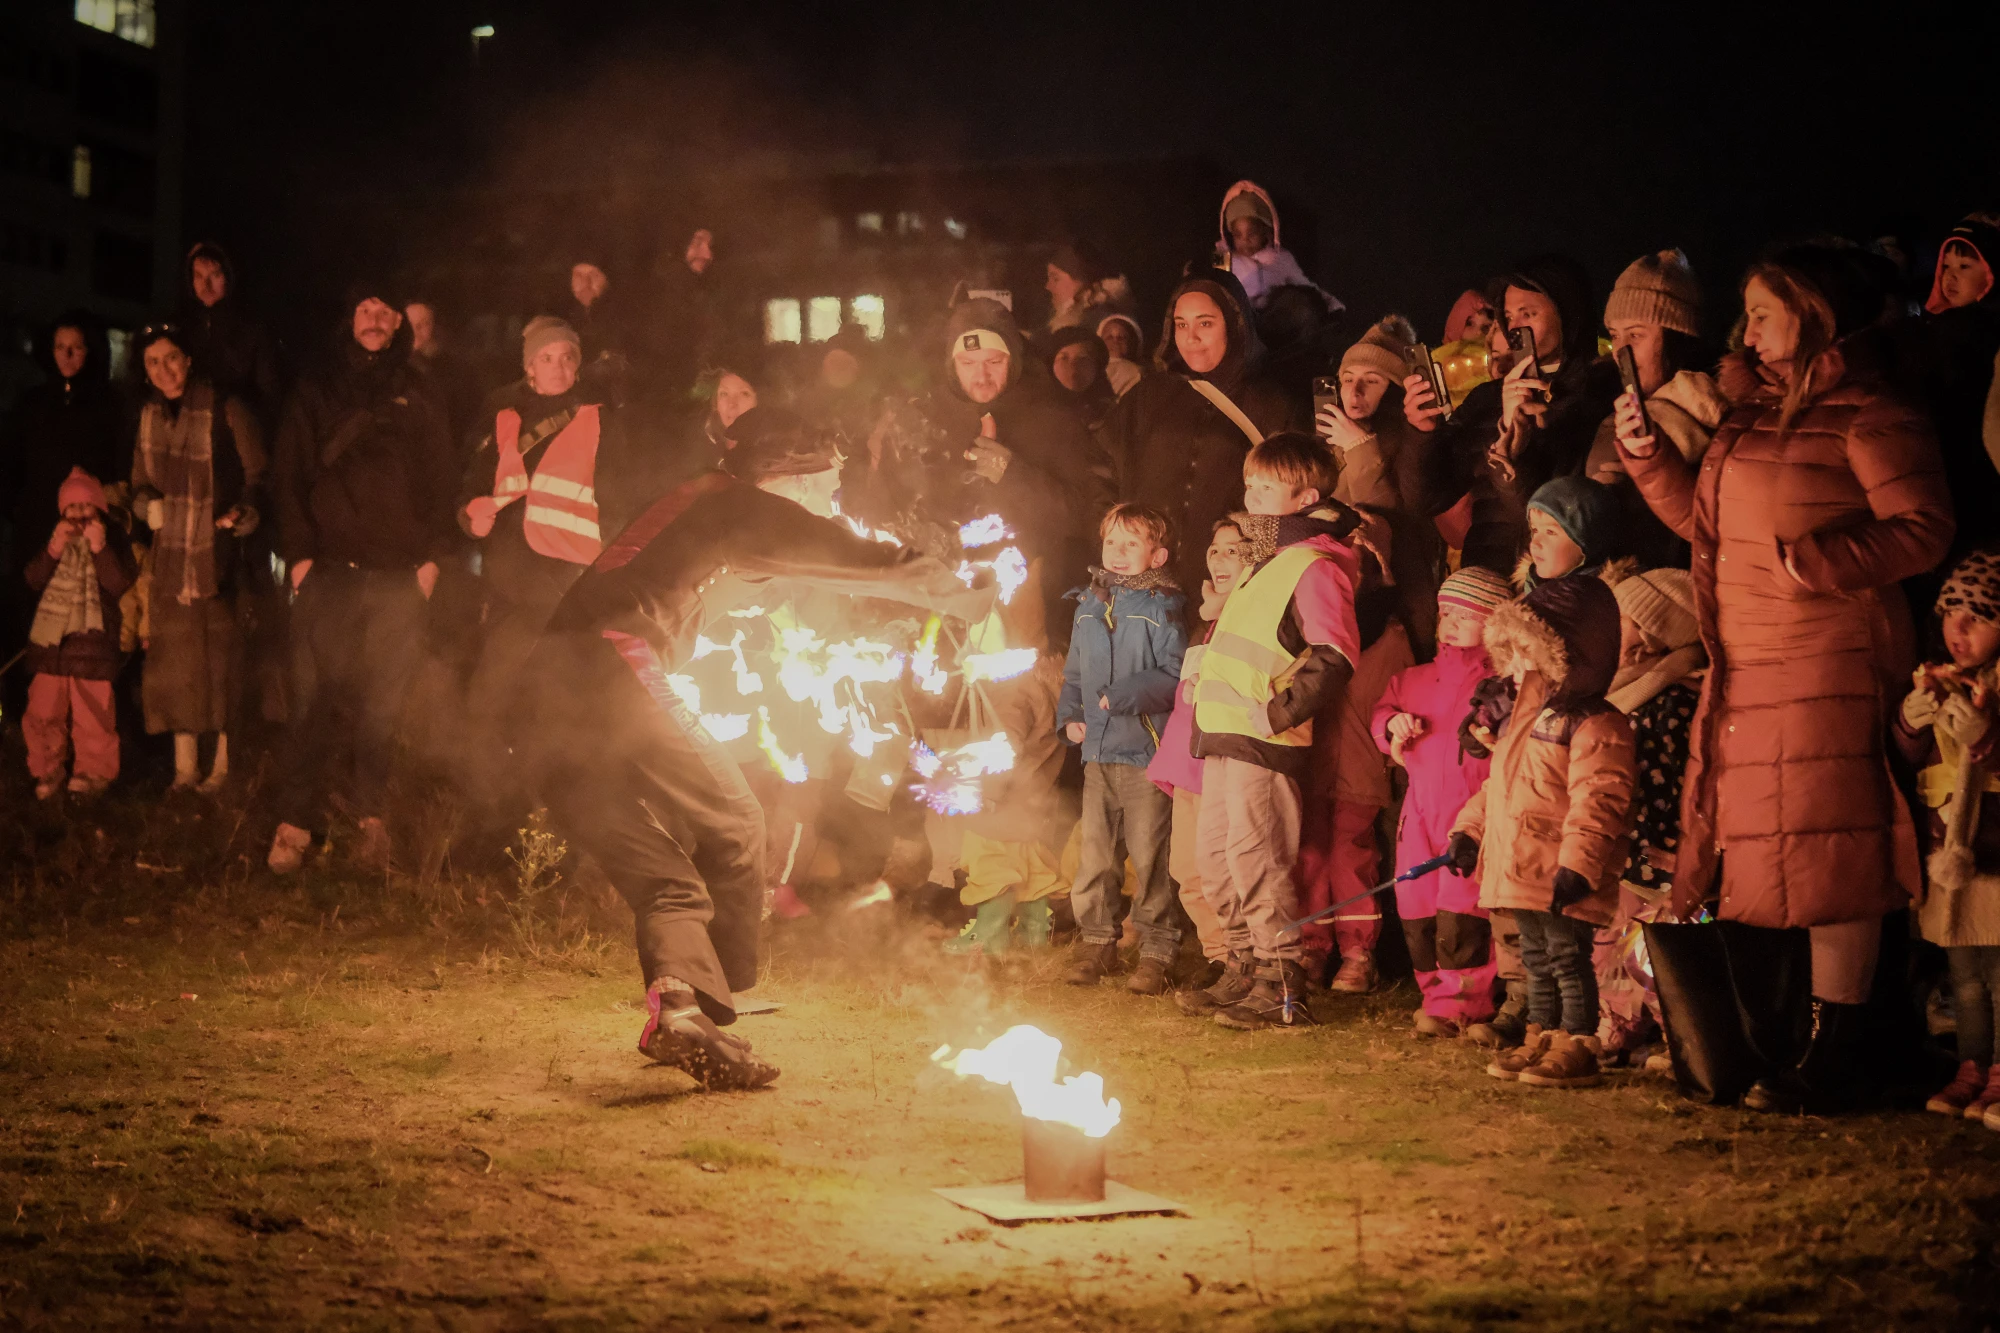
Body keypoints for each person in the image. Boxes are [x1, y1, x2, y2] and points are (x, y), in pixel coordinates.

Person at [511, 419, 992, 1090]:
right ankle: (721, 993)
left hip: (539, 710)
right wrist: (961, 589)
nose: (832, 503)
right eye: (825, 488)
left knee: (667, 880)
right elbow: (838, 551)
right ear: (784, 483)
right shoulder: (731, 501)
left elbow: (781, 597)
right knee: (736, 821)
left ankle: (681, 1012)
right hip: (606, 668)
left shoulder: (704, 514)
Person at [1616, 243, 1955, 1114]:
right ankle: (1784, 1041)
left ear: (1813, 313)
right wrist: (1652, 460)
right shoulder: (1747, 416)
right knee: (1765, 850)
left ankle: (1845, 1046)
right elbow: (1705, 524)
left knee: (1834, 850)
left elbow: (1924, 526)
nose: (1748, 330)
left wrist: (1819, 561)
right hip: (1752, 663)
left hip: (1829, 659)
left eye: (1764, 312)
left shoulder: (1870, 414)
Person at [267, 284, 458, 874]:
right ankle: (297, 822)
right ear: (350, 318)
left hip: (398, 578)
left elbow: (441, 479)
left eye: (385, 310)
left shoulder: (419, 390)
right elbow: (288, 474)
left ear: (399, 320)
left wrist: (430, 561)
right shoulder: (317, 386)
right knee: (310, 702)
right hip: (327, 574)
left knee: (383, 708)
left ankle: (370, 822)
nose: (374, 319)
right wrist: (299, 559)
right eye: (365, 309)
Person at [1180, 434, 1361, 1030]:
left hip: (1264, 737)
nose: (1251, 495)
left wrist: (1279, 712)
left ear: (1305, 496)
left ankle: (1282, 982)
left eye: (1266, 486)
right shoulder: (1264, 562)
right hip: (1224, 731)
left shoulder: (1313, 566)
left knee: (1258, 858)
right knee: (1219, 859)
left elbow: (1334, 654)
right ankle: (1243, 966)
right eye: (1249, 482)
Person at [456, 316, 647, 827]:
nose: (559, 366)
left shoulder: (601, 418)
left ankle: (560, 824)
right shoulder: (502, 415)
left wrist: (606, 576)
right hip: (507, 584)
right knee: (488, 704)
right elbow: (472, 483)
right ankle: (497, 815)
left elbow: (619, 500)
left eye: (567, 357)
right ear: (528, 367)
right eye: (547, 357)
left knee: (555, 707)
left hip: (567, 589)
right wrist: (469, 513)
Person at [1448, 573, 1636, 1090]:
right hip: (1521, 862)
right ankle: (1542, 1032)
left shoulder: (1596, 724)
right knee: (1535, 957)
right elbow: (1500, 787)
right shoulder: (1527, 718)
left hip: (1556, 868)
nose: (1521, 661)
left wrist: (1579, 865)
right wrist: (1468, 831)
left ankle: (1577, 1041)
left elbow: (1599, 800)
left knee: (1566, 957)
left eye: (1531, 648)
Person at [1404, 255, 1621, 573]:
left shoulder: (1601, 393)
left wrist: (1518, 443)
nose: (1515, 326)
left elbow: (1566, 513)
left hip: (1562, 584)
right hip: (1486, 583)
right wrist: (1422, 433)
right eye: (1508, 315)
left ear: (1567, 314)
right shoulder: (1487, 398)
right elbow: (1426, 500)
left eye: (1528, 314)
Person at [1104, 266, 1304, 606]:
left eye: (1205, 323)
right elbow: (1105, 465)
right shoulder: (1150, 394)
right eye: (1181, 324)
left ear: (1235, 324)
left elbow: (1291, 497)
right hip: (1141, 584)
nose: (1190, 338)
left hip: (1224, 587)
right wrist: (1114, 533)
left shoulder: (1272, 405)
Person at [1371, 565, 1512, 1036]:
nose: (1450, 622)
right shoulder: (1414, 678)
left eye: (1465, 615)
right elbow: (1383, 711)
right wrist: (1392, 726)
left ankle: (1465, 1002)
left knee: (1463, 907)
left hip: (1471, 811)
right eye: (1446, 612)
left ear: (1493, 624)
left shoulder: (1501, 687)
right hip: (1419, 811)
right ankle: (1434, 995)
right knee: (1417, 903)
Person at [128, 324, 266, 793]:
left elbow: (256, 472)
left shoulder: (226, 407)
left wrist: (246, 511)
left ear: (188, 360)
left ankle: (223, 766)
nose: (163, 370)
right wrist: (147, 506)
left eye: (171, 358)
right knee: (176, 666)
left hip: (218, 556)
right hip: (170, 562)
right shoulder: (148, 417)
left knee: (220, 663)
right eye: (152, 362)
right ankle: (185, 767)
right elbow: (139, 484)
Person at [1058, 503, 1187, 992]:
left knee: (1150, 856)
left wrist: (1125, 695)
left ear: (1157, 555)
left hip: (1145, 755)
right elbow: (1073, 675)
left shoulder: (1161, 607)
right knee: (1095, 856)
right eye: (1113, 541)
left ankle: (1156, 950)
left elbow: (1174, 675)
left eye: (1132, 543)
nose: (1119, 551)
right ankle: (1098, 944)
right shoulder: (1088, 605)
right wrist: (1070, 717)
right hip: (1098, 756)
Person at [1895, 551, 2000, 1121]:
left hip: (1993, 853)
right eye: (1949, 612)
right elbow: (1914, 760)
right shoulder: (1937, 678)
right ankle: (1972, 1067)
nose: (1955, 630)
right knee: (1965, 980)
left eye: (1978, 617)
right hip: (1947, 855)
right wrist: (1910, 723)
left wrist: (1988, 737)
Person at [1597, 563, 1706, 1066]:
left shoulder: (1673, 699)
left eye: (1618, 618)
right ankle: (1617, 1024)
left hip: (1658, 844)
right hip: (1624, 840)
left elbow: (1672, 776)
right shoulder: (1625, 688)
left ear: (1651, 632)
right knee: (1614, 940)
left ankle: (1676, 1035)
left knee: (1653, 944)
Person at [0, 312, 127, 725]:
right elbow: (11, 463)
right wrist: (15, 509)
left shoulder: (107, 405)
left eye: (76, 347)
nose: (67, 355)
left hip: (88, 530)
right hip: (39, 528)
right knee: (35, 624)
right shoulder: (33, 402)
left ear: (90, 351)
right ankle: (31, 720)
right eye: (60, 347)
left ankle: (87, 727)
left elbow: (116, 467)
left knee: (86, 631)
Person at [1151, 519, 1251, 979]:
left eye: (1234, 549)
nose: (1220, 558)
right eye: (1215, 549)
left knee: (1223, 871)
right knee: (1187, 872)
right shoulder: (1205, 622)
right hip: (1188, 761)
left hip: (1224, 762)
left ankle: (1241, 958)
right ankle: (1218, 956)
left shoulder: (1252, 619)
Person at [1583, 250, 1726, 568]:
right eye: (1615, 335)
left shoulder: (1719, 417)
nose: (1621, 350)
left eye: (1635, 335)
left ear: (1677, 338)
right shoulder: (1602, 412)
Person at [22, 468, 136, 799]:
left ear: (99, 508)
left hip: (93, 646)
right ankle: (47, 768)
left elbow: (119, 583)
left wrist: (100, 550)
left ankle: (94, 772)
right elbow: (33, 579)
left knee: (94, 716)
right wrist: (53, 550)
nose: (79, 515)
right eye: (71, 508)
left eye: (86, 506)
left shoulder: (112, 540)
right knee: (43, 712)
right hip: (52, 646)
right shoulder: (56, 544)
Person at [944, 652, 1066, 957]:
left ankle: (989, 935)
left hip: (1006, 799)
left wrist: (991, 791)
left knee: (989, 860)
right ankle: (1033, 933)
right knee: (1030, 864)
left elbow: (1005, 743)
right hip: (1032, 799)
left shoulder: (1017, 690)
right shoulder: (1056, 694)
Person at [1914, 216, 2000, 553]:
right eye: (1946, 264)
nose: (1951, 275)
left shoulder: (1970, 329)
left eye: (1965, 266)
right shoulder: (1947, 325)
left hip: (1969, 466)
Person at [1317, 315, 1423, 510]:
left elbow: (1383, 519)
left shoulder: (1412, 442)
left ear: (1394, 391)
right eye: (1348, 380)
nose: (1355, 391)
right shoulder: (1327, 437)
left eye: (1372, 381)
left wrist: (1359, 446)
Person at [176, 241, 282, 431]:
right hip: (190, 430)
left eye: (214, 275)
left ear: (228, 276)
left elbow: (270, 392)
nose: (206, 285)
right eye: (198, 276)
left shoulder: (251, 329)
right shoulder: (183, 327)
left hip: (232, 432)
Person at [1216, 180, 1341, 314]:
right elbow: (1211, 287)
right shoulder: (1223, 259)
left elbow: (1304, 285)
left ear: (1266, 232)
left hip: (1275, 321)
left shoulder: (1281, 258)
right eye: (1238, 235)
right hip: (1241, 322)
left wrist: (1330, 304)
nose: (1245, 240)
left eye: (1252, 233)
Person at [1519, 475, 1620, 589]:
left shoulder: (1598, 600)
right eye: (1535, 530)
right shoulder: (1532, 584)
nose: (1535, 543)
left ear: (1588, 541)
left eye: (1550, 532)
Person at [1044, 242, 1133, 336]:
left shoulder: (1099, 324)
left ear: (1082, 282)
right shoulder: (1071, 318)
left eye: (1056, 279)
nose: (1048, 286)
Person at [1045, 327, 1116, 432]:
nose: (1073, 365)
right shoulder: (1037, 410)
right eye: (1064, 358)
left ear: (1097, 368)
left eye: (1083, 358)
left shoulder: (1114, 417)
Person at [1435, 289, 1495, 408]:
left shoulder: (1497, 359)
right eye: (1470, 324)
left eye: (1486, 327)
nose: (1478, 333)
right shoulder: (1440, 361)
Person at [1097, 314, 1148, 399]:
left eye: (1122, 337)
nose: (1115, 341)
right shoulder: (1093, 369)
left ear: (1133, 344)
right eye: (1109, 337)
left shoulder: (1139, 372)